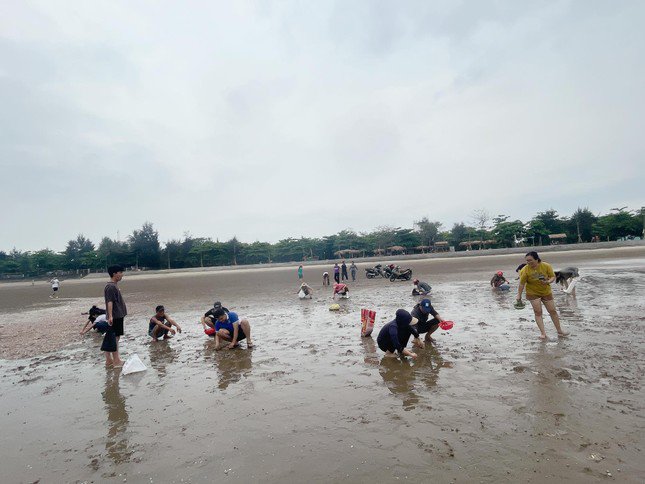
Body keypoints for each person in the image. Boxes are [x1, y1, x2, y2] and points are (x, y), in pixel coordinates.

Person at [517, 251, 568, 339]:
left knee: (552, 311)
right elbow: (521, 284)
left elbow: (552, 276)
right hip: (532, 293)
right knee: (538, 312)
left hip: (546, 291)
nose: (528, 262)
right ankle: (543, 333)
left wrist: (548, 281)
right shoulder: (525, 270)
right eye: (527, 261)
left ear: (537, 259)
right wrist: (519, 295)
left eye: (530, 260)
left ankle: (560, 331)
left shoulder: (546, 266)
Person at [102, 265, 126, 367]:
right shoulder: (111, 286)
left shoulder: (113, 285)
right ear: (114, 274)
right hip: (116, 315)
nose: (122, 274)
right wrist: (111, 316)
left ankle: (109, 360)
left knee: (111, 337)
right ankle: (116, 361)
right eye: (120, 272)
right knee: (115, 338)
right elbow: (110, 301)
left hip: (117, 315)